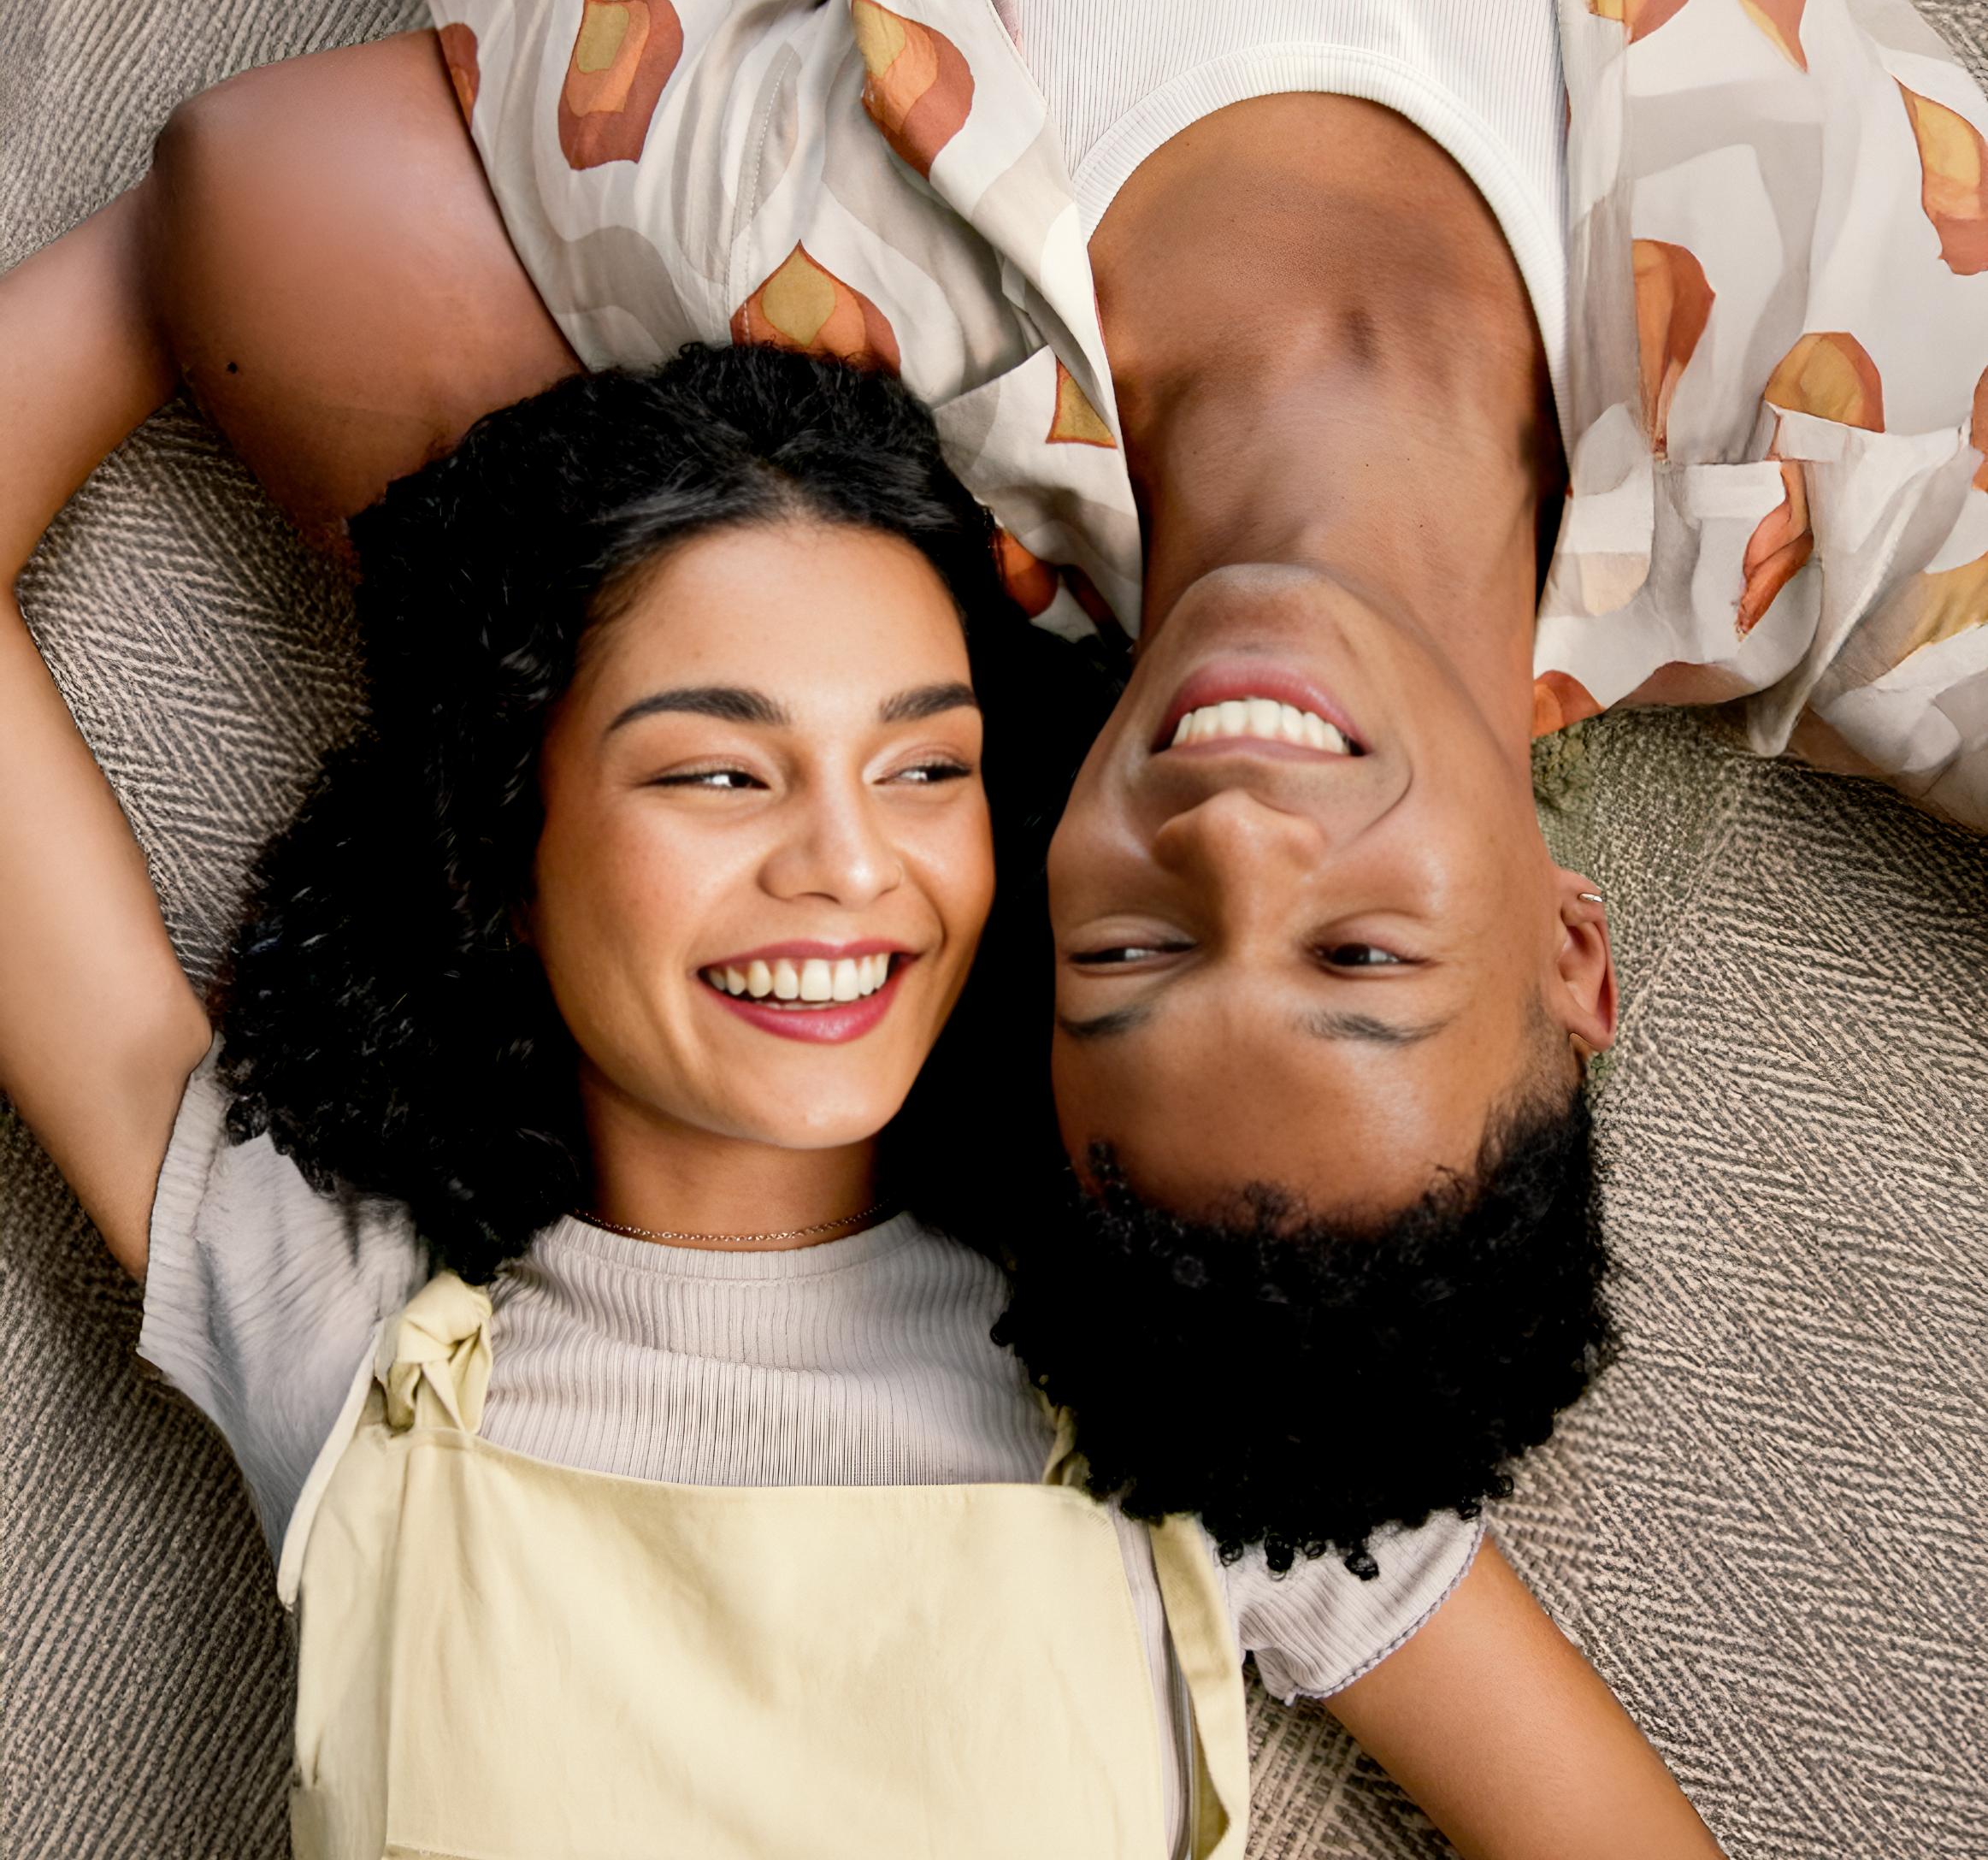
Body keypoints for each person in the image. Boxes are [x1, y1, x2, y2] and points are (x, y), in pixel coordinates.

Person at [0, 340, 1722, 1856]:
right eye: (718, 770)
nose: (846, 860)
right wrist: (164, 273)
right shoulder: (327, 1305)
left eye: (925, 769)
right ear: (506, 853)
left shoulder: (1183, 1353)